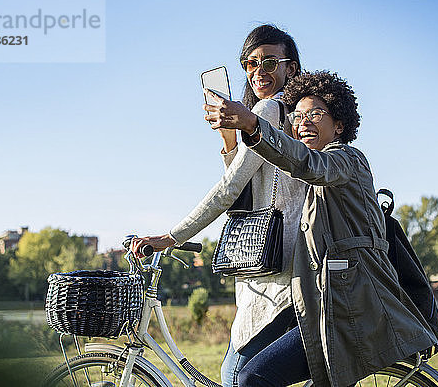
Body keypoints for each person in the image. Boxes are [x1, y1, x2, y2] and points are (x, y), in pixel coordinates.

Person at [204, 71, 438, 386]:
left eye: (315, 114)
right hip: (330, 310)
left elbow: (307, 164)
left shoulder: (346, 160)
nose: (303, 123)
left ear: (338, 124)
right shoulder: (317, 183)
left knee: (252, 378)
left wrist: (253, 125)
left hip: (350, 312)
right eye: (298, 116)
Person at [131, 25, 308, 387]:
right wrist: (230, 140)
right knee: (240, 373)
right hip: (272, 264)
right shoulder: (267, 116)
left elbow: (229, 191)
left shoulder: (272, 109)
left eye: (271, 62)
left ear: (291, 69)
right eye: (251, 63)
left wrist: (171, 237)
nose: (260, 71)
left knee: (235, 374)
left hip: (281, 266)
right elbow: (246, 186)